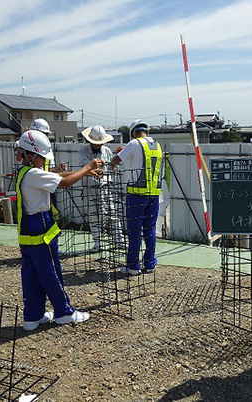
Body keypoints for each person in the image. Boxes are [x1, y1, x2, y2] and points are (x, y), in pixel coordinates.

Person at [16, 129, 103, 330]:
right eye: (41, 158)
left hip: (27, 230)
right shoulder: (33, 174)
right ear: (31, 155)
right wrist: (88, 166)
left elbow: (54, 175)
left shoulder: (24, 172)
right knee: (51, 272)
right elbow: (63, 182)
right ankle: (64, 312)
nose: (43, 162)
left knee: (32, 275)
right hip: (41, 227)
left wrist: (84, 172)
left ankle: (32, 317)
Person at [111, 119, 164, 276]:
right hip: (154, 195)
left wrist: (112, 163)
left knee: (135, 231)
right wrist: (126, 149)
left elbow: (116, 160)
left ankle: (133, 266)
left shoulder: (134, 143)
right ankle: (150, 264)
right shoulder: (157, 145)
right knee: (150, 230)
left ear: (133, 132)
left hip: (137, 195)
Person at [78, 125, 124, 252]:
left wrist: (109, 178)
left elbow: (111, 168)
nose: (97, 145)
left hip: (105, 187)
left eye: (99, 143)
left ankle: (118, 241)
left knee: (113, 213)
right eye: (95, 143)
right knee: (93, 215)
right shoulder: (82, 151)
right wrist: (94, 167)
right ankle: (97, 243)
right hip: (90, 187)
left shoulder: (107, 151)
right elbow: (84, 167)